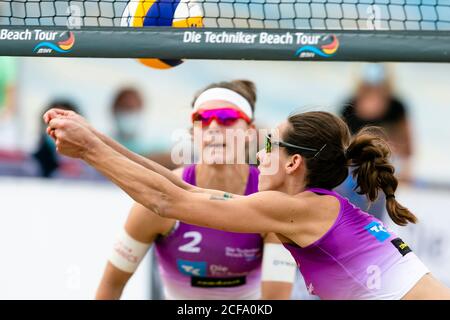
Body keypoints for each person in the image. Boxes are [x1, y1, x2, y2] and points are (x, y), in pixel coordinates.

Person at [44, 108, 450, 300]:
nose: (258, 152)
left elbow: (165, 200)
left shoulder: (295, 209)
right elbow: (178, 187)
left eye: (270, 144)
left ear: (294, 162)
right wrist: (94, 137)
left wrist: (87, 152)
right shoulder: (308, 206)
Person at [84, 81, 296, 299]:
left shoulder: (271, 198)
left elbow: (275, 300)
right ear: (193, 133)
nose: (213, 127)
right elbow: (110, 287)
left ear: (250, 133)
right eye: (202, 119)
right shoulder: (158, 198)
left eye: (227, 118)